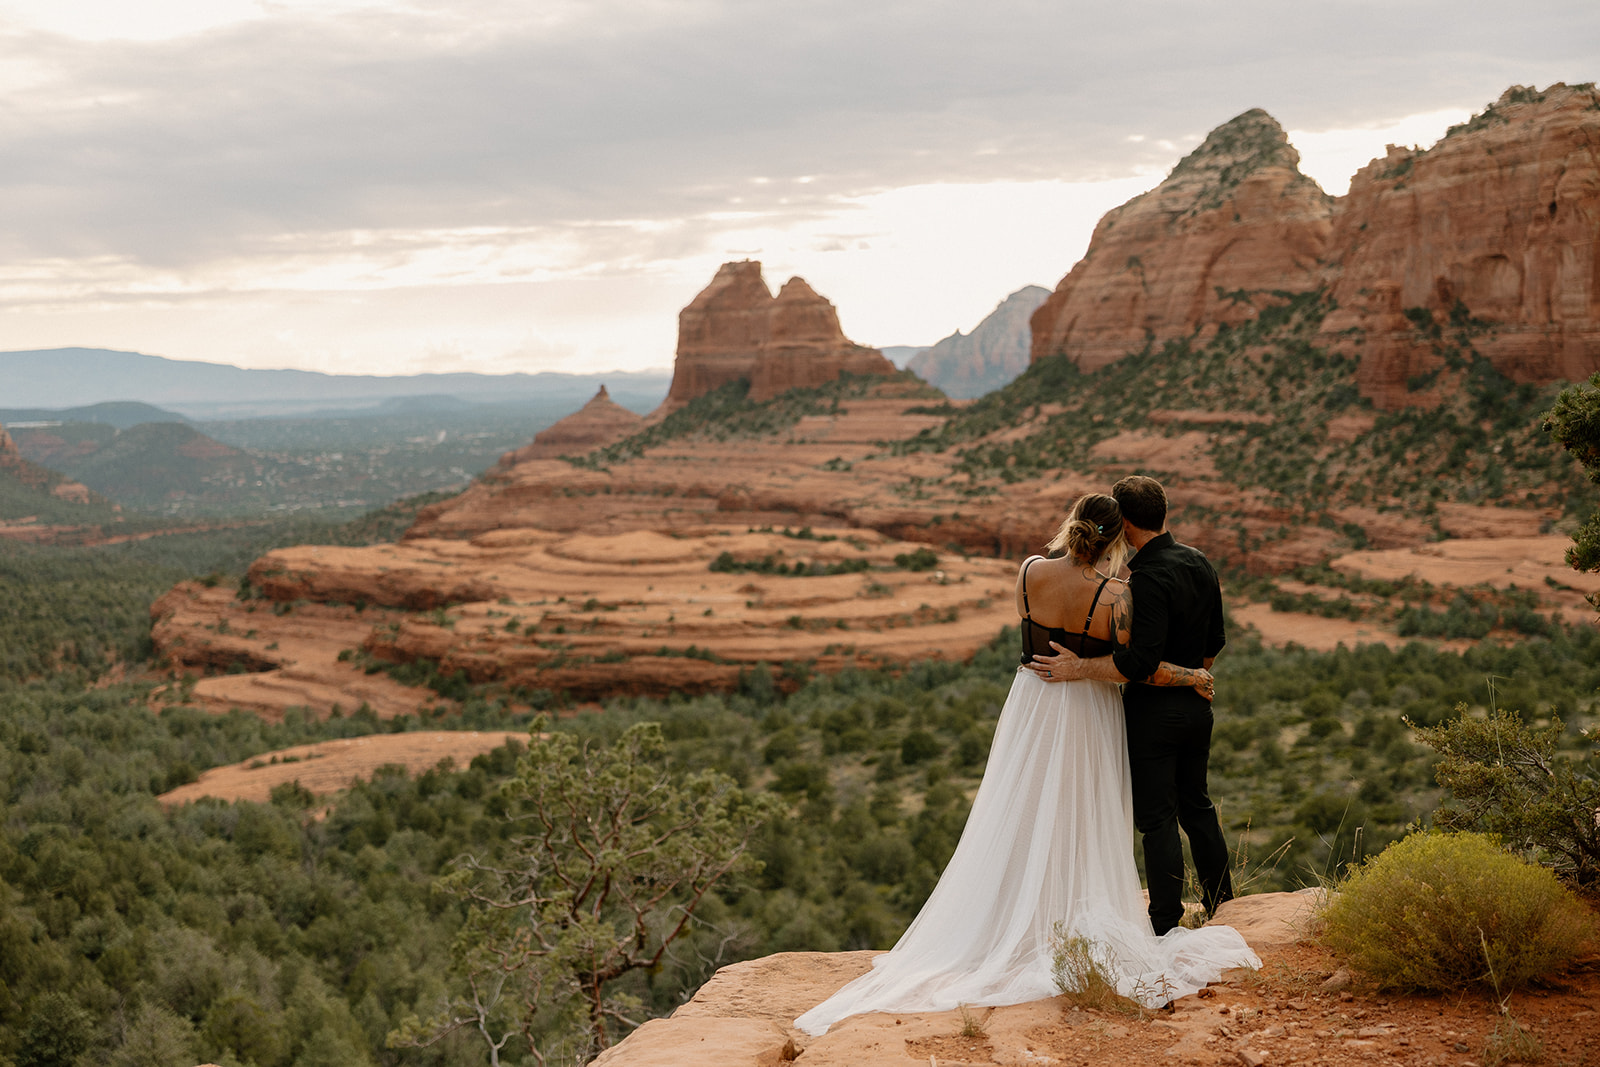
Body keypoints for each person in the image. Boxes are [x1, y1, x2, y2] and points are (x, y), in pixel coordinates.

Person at [794, 494, 1257, 1037]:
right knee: (1087, 804)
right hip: (1087, 704)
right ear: (1114, 538)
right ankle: (1120, 906)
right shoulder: (1116, 595)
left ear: (1072, 526)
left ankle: (1016, 915)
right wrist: (1192, 676)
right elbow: (1133, 666)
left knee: (1024, 799)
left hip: (1032, 700)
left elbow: (1040, 628)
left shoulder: (1029, 571)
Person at [1030, 475, 1231, 936]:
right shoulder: (1200, 562)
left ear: (1123, 522)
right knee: (1197, 807)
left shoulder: (1143, 580)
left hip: (1153, 715)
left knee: (1157, 819)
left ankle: (1164, 923)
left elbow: (1138, 663)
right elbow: (1214, 641)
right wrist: (1194, 677)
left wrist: (1079, 668)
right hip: (1198, 711)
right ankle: (1222, 903)